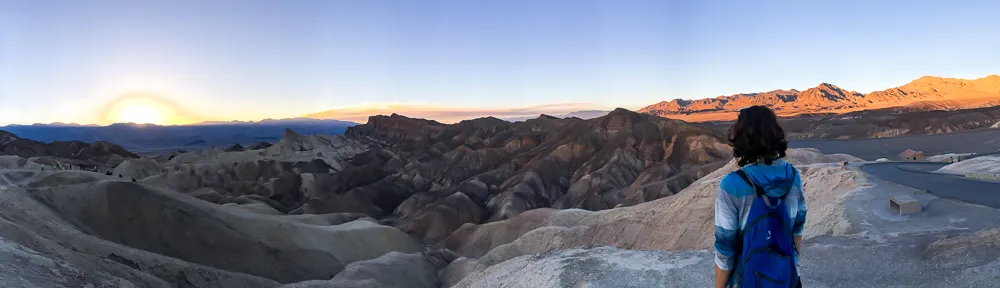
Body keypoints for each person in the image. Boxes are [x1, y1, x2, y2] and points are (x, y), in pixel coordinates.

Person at [715, 105, 805, 288]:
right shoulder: (793, 177)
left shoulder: (731, 184)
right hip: (787, 279)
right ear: (775, 135)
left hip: (747, 280)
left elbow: (725, 250)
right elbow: (797, 232)